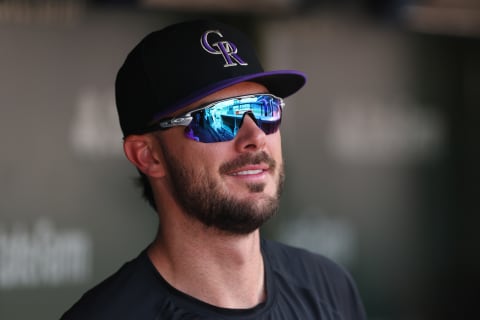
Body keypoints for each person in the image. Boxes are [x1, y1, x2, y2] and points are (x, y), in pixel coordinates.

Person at [61, 19, 367, 319]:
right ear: (148, 156)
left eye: (265, 109)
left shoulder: (327, 287)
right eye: (219, 118)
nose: (256, 137)